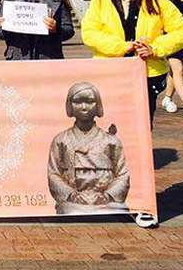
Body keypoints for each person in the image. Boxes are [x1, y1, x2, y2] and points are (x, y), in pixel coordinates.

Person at [82, 0, 183, 129]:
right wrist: (121, 46)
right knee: (108, 126)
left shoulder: (156, 0)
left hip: (145, 75)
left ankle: (139, 159)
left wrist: (155, 48)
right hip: (109, 72)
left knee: (140, 128)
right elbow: (89, 32)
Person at [47, 82, 129, 216]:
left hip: (106, 199)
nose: (84, 107)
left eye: (90, 102)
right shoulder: (61, 140)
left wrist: (107, 195)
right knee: (70, 210)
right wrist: (71, 195)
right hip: (73, 201)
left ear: (98, 105)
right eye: (78, 102)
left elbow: (122, 174)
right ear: (70, 106)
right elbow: (53, 173)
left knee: (116, 210)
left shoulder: (111, 141)